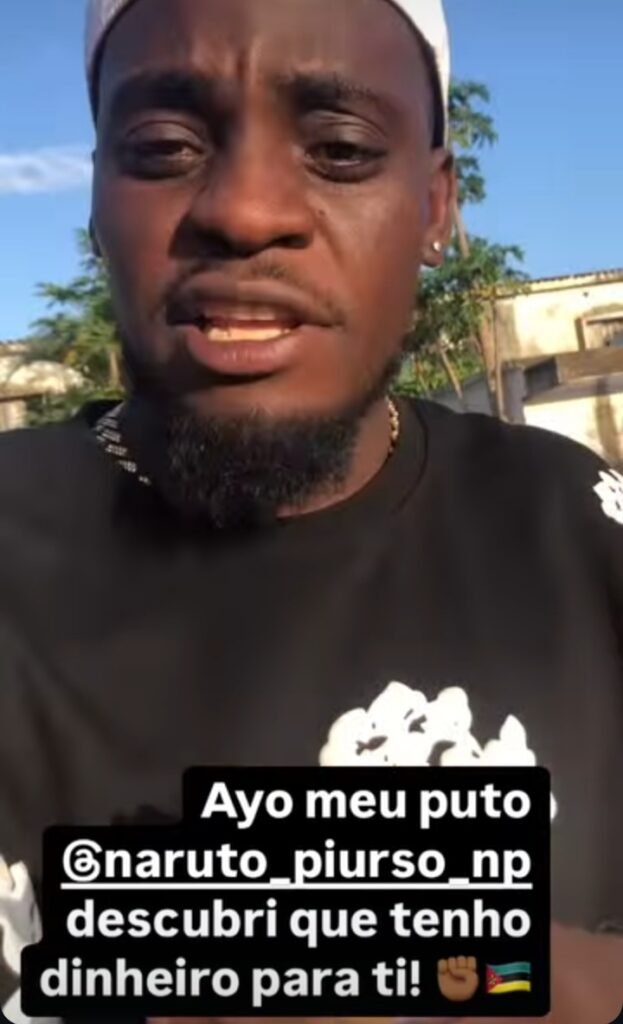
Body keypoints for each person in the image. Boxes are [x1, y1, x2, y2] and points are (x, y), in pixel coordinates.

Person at [0, 0, 621, 1021]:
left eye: (339, 149)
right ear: (99, 199)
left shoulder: (576, 529)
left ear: (434, 208)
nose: (245, 213)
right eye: (164, 147)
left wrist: (462, 971)